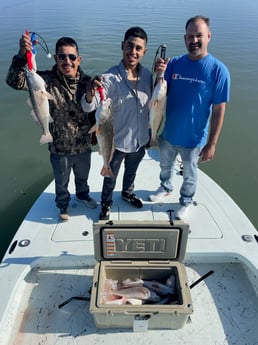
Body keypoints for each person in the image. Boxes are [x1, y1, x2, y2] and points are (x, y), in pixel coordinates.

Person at [6, 34, 97, 221]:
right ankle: (62, 205)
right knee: (61, 182)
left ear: (79, 60)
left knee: (83, 177)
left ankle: (82, 195)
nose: (67, 61)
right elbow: (14, 81)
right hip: (59, 146)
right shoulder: (43, 79)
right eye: (62, 56)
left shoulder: (88, 82)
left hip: (83, 146)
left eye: (72, 57)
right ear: (55, 58)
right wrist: (22, 55)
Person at [149, 15, 230, 220]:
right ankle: (165, 187)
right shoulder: (174, 64)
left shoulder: (219, 71)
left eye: (199, 36)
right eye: (190, 36)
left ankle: (185, 201)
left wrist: (212, 143)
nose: (194, 40)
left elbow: (219, 110)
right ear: (185, 38)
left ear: (209, 37)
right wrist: (158, 72)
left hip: (194, 139)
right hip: (168, 133)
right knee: (165, 166)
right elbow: (158, 92)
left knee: (189, 174)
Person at [82, 26, 152, 220]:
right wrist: (90, 93)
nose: (133, 52)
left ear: (144, 52)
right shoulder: (108, 78)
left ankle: (128, 193)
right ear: (122, 46)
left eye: (138, 48)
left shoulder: (147, 75)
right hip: (116, 142)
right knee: (110, 174)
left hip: (140, 140)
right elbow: (89, 106)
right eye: (130, 46)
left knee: (132, 171)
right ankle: (106, 203)